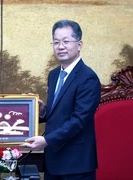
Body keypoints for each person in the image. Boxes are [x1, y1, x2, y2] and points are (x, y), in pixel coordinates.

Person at [21, 20, 101, 180]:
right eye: (56, 42)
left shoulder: (88, 78)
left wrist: (46, 140)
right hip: (53, 161)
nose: (60, 46)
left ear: (79, 44)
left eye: (66, 41)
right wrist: (43, 112)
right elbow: (59, 113)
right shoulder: (54, 75)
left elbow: (79, 120)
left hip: (76, 164)